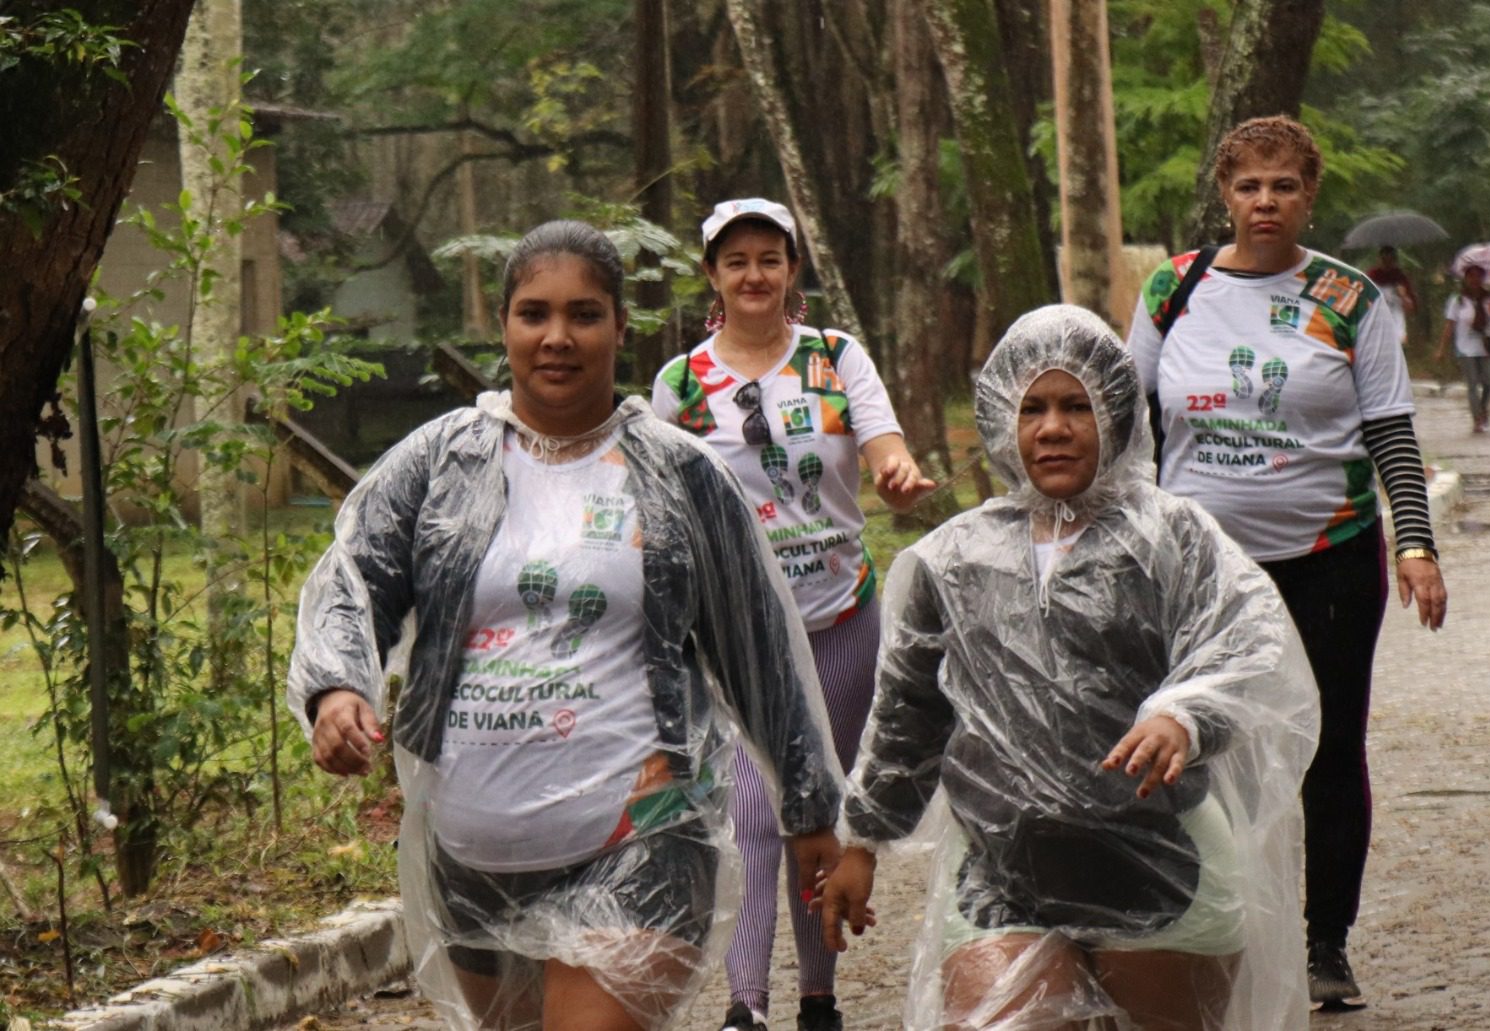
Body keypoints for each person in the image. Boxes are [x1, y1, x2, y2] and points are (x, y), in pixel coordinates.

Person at [288, 220, 844, 1031]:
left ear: (622, 326)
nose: (557, 337)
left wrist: (809, 807)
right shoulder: (442, 461)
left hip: (641, 840)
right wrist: (338, 687)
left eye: (584, 314)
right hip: (474, 861)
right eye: (533, 314)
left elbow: (760, 646)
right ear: (503, 325)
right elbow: (351, 576)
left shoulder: (680, 474)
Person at [819, 305, 1321, 1029]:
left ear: (1114, 414)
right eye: (1033, 407)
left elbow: (1248, 639)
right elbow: (907, 713)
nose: (1052, 427)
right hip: (1000, 872)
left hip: (1161, 860)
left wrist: (1186, 712)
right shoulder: (953, 558)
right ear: (1003, 420)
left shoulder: (1170, 534)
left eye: (1075, 404)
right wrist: (862, 838)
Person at [1124, 115, 1449, 1007]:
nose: (1266, 201)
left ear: (1310, 195)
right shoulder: (1172, 289)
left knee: (1330, 748)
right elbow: (1124, 419)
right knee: (1191, 743)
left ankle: (1325, 945)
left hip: (1329, 559)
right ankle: (1206, 927)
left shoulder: (1353, 300)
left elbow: (1390, 429)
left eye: (1285, 185)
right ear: (1224, 195)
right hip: (1199, 570)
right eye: (1249, 185)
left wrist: (1414, 540)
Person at [652, 197, 934, 1031]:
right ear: (712, 275)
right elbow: (660, 502)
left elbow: (885, 442)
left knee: (822, 811)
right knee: (752, 818)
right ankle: (745, 1005)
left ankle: (820, 998)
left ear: (791, 269)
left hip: (842, 617)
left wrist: (897, 474)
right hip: (744, 636)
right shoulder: (682, 384)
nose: (753, 275)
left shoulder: (836, 358)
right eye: (735, 261)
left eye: (769, 258)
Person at [1435, 263, 1490, 433]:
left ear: (1482, 278)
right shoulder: (1457, 300)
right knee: (1472, 384)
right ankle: (1477, 419)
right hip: (1465, 348)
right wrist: (1441, 349)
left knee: (1489, 383)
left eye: (1478, 276)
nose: (1474, 280)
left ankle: (1483, 408)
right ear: (1465, 279)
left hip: (1486, 347)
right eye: (1470, 276)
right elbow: (1449, 325)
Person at [1364, 245, 1416, 347]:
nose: (1386, 263)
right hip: (1376, 327)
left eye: (1390, 260)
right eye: (1384, 259)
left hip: (1397, 327)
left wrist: (1403, 296)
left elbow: (1411, 309)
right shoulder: (1372, 275)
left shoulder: (1400, 277)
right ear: (1379, 259)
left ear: (1394, 260)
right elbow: (1363, 301)